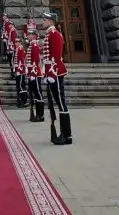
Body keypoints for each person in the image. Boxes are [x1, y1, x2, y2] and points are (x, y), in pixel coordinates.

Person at [42, 11, 71, 145]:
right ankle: (64, 134)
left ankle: (66, 135)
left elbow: (56, 55)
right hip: (52, 72)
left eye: (45, 20)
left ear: (51, 21)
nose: (43, 22)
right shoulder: (49, 34)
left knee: (61, 103)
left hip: (57, 72)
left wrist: (52, 73)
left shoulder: (55, 35)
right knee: (58, 102)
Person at [25, 22, 45, 122]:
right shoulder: (31, 45)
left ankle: (40, 115)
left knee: (38, 93)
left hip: (35, 74)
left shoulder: (35, 46)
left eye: (29, 35)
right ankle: (37, 114)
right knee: (34, 93)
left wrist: (33, 73)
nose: (27, 36)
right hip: (32, 73)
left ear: (33, 36)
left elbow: (36, 60)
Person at [13, 35, 28, 107]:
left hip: (21, 71)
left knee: (21, 86)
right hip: (18, 70)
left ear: (20, 42)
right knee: (18, 86)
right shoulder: (18, 49)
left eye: (17, 42)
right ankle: (19, 101)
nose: (15, 43)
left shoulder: (21, 49)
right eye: (15, 42)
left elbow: (22, 60)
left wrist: (19, 69)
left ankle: (24, 101)